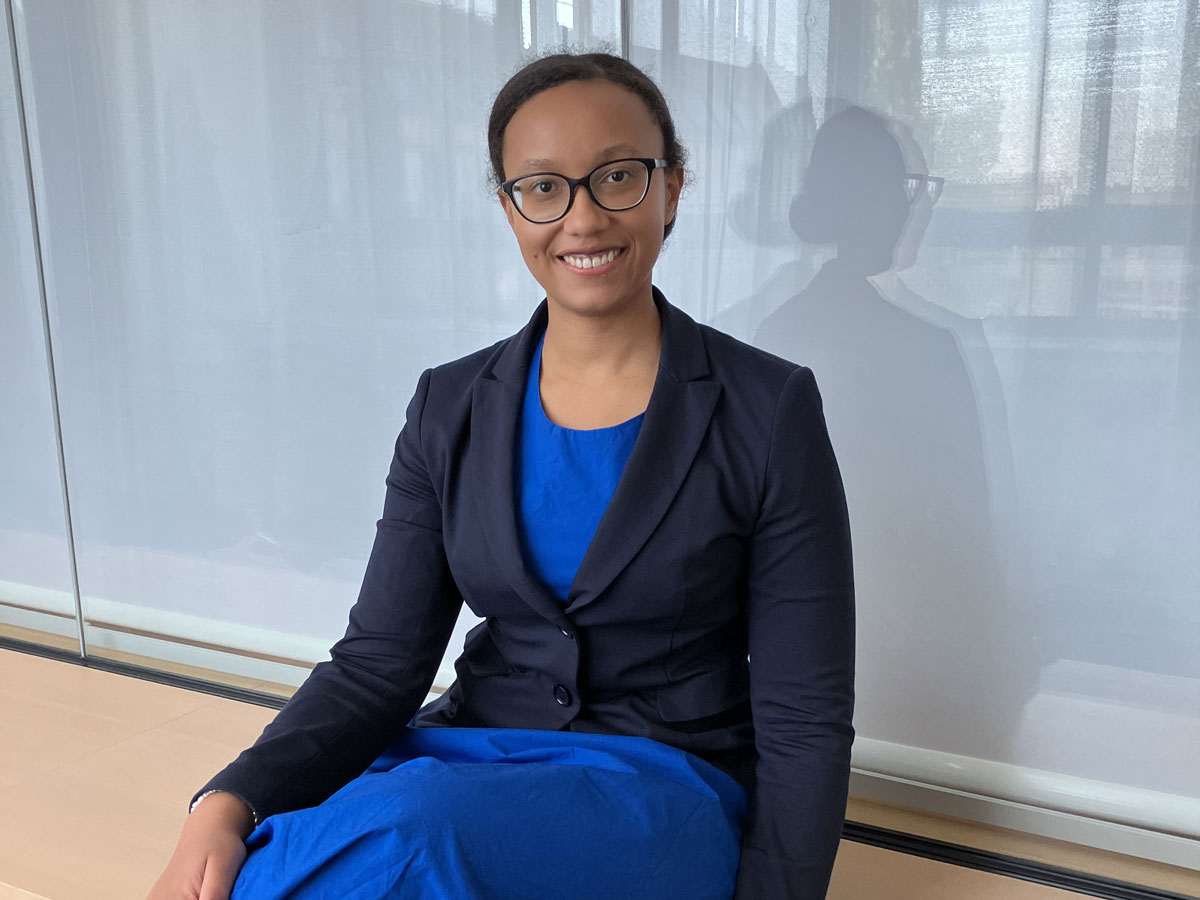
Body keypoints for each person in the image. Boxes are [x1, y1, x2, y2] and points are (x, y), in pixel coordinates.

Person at [146, 52, 854, 900]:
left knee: (404, 840)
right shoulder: (449, 406)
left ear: (672, 187)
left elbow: (805, 716)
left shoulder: (767, 407)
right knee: (264, 861)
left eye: (617, 177)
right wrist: (229, 798)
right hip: (471, 755)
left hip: (667, 788)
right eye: (544, 187)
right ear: (510, 207)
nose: (582, 218)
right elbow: (378, 663)